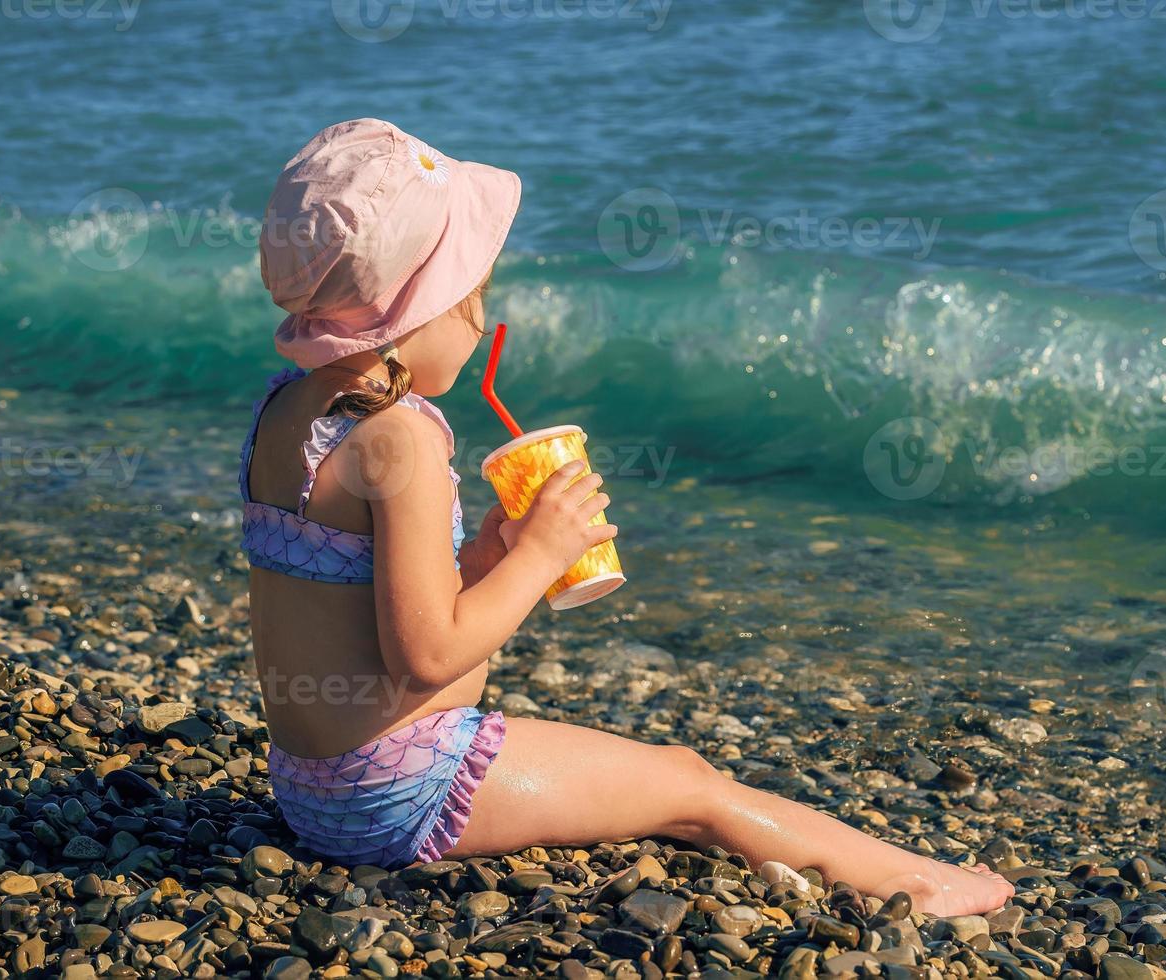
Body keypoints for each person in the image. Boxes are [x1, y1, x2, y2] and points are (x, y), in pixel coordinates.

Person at [240, 118, 1013, 916]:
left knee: (661, 777)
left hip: (309, 787)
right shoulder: (400, 435)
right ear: (416, 303)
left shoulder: (283, 413)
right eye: (474, 298)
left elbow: (350, 605)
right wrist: (542, 555)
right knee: (689, 783)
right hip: (394, 795)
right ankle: (913, 884)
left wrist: (489, 562)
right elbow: (427, 658)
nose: (478, 321)